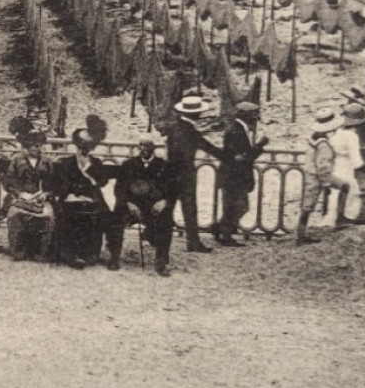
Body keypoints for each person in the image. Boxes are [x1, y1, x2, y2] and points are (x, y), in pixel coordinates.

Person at [46, 115, 118, 269]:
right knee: (68, 214)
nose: (82, 150)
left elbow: (102, 182)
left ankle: (95, 253)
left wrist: (89, 169)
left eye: (86, 147)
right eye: (80, 147)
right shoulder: (66, 163)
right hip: (71, 200)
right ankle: (69, 254)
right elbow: (59, 185)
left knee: (105, 214)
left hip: (92, 200)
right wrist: (70, 195)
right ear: (76, 146)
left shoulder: (95, 163)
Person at [164, 94, 224, 254]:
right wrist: (231, 157)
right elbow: (209, 148)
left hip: (170, 174)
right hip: (185, 176)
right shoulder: (190, 132)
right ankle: (193, 242)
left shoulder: (174, 127)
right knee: (189, 209)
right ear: (194, 114)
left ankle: (151, 233)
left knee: (167, 207)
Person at [115, 135, 177, 276]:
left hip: (155, 207)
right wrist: (128, 203)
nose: (144, 149)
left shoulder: (164, 166)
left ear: (153, 148)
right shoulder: (128, 165)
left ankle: (161, 262)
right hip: (132, 207)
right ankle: (114, 256)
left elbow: (174, 190)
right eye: (141, 145)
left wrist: (164, 201)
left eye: (148, 145)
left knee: (166, 219)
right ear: (138, 147)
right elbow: (119, 189)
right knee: (116, 215)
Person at [0, 119, 52, 262]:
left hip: (40, 197)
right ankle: (18, 249)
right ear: (27, 146)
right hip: (21, 195)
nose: (37, 148)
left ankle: (40, 250)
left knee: (48, 215)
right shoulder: (17, 159)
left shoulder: (47, 161)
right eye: (34, 145)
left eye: (40, 145)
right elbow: (9, 181)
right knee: (16, 213)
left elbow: (52, 181)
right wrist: (19, 193)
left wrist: (45, 193)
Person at [214, 101, 268, 247]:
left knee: (234, 206)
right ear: (247, 117)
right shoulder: (236, 131)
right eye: (254, 116)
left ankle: (221, 231)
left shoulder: (236, 129)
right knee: (238, 206)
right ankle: (223, 233)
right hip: (234, 176)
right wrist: (259, 146)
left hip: (232, 176)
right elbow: (243, 157)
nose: (256, 119)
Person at [296, 109, 343, 246]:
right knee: (307, 207)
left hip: (311, 174)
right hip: (316, 177)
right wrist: (327, 184)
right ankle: (301, 237)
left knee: (307, 206)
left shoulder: (313, 139)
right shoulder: (323, 144)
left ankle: (301, 235)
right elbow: (323, 167)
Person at [330, 101, 365, 227]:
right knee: (352, 194)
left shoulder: (338, 131)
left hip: (335, 167)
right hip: (346, 169)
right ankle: (344, 221)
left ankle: (335, 219)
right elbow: (356, 160)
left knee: (336, 195)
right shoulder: (352, 136)